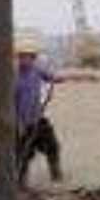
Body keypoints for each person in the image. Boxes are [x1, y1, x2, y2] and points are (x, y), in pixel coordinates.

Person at [14, 40, 63, 185]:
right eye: (22, 56)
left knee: (53, 146)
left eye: (28, 56)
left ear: (33, 58)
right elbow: (11, 103)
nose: (25, 59)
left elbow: (52, 77)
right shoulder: (13, 76)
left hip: (38, 119)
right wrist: (18, 123)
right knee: (23, 154)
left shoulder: (37, 70)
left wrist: (56, 79)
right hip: (22, 123)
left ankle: (56, 175)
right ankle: (21, 182)